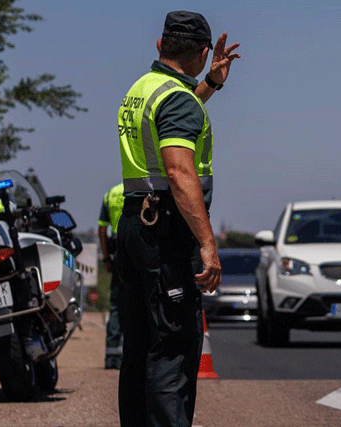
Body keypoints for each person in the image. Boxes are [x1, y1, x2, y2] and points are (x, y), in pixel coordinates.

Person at [115, 10, 240, 427]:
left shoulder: (144, 89)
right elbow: (179, 171)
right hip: (167, 233)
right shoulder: (177, 101)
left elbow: (176, 114)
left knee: (139, 345)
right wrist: (207, 243)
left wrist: (212, 84)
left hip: (135, 226)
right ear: (204, 52)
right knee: (173, 348)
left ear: (160, 46)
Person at [98, 182, 125, 369]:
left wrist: (106, 257)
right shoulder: (144, 188)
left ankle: (111, 357)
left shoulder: (111, 193)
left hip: (117, 251)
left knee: (116, 305)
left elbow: (102, 230)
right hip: (137, 247)